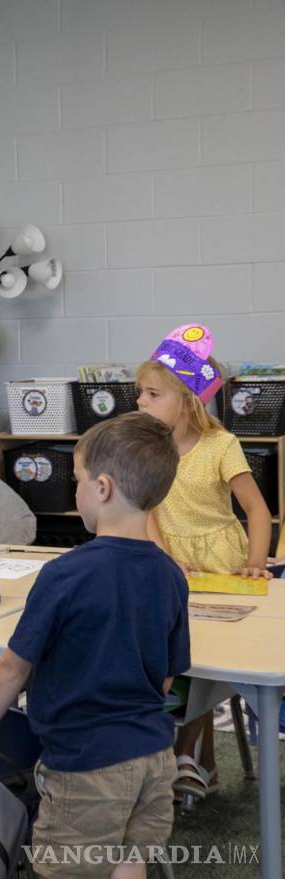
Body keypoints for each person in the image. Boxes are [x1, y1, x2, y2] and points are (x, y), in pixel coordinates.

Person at [0, 412, 189, 879]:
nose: (74, 492)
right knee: (127, 876)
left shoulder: (65, 575)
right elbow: (166, 679)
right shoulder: (170, 575)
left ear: (102, 488)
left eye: (76, 481)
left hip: (84, 765)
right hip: (153, 759)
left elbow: (12, 668)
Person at [134, 323, 274, 804]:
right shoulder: (149, 450)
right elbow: (147, 510)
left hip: (221, 566)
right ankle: (198, 761)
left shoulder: (220, 446)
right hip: (174, 566)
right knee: (181, 654)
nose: (139, 402)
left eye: (151, 394)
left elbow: (256, 510)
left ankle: (185, 756)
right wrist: (166, 561)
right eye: (140, 394)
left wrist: (257, 563)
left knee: (205, 655)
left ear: (187, 401)